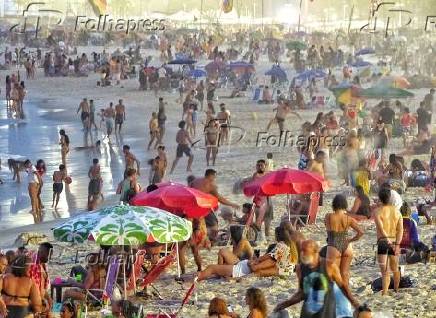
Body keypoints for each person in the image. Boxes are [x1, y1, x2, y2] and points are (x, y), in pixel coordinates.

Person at [273, 240, 361, 317]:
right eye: (301, 251)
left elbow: (342, 286)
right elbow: (302, 292)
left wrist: (354, 302)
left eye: (305, 251)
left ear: (315, 252)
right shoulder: (300, 268)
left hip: (326, 311)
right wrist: (286, 303)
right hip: (308, 311)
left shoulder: (329, 266)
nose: (302, 254)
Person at [198, 225, 295, 280]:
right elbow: (271, 259)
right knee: (220, 255)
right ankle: (217, 274)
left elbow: (270, 261)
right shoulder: (288, 246)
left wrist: (254, 263)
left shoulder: (281, 246)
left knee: (211, 268)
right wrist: (254, 262)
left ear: (278, 235)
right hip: (243, 266)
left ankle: (197, 279)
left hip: (242, 268)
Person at [325, 194, 364, 287]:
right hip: (347, 246)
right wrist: (351, 240)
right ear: (345, 205)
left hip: (333, 244)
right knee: (345, 273)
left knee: (331, 274)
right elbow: (361, 232)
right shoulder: (349, 219)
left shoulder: (329, 216)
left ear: (334, 204)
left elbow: (327, 228)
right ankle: (345, 296)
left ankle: (333, 297)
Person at [374, 188, 403, 296]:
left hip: (383, 242)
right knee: (395, 269)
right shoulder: (397, 212)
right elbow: (400, 230)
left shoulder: (377, 211)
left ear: (380, 198)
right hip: (395, 241)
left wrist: (387, 240)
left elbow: (381, 229)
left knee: (384, 272)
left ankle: (385, 293)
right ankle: (396, 290)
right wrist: (397, 244)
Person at [29, 242, 53, 316]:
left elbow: (42, 287)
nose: (50, 257)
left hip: (40, 302)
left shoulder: (43, 265)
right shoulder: (33, 265)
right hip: (33, 303)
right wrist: (38, 304)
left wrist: (48, 299)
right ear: (42, 252)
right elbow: (31, 288)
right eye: (49, 255)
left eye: (51, 255)